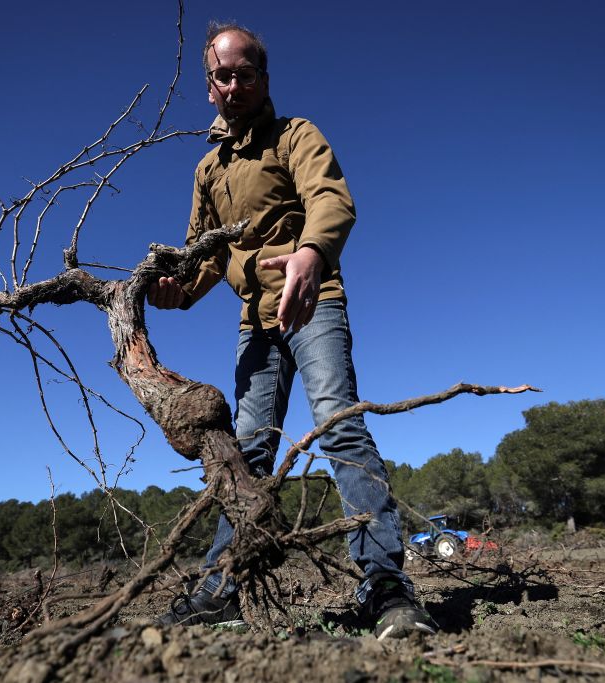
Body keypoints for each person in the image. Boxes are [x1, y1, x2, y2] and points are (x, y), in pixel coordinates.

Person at [148, 22, 434, 640]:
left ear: (263, 78)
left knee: (340, 425)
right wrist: (174, 294)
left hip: (312, 302)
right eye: (222, 75)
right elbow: (203, 259)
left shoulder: (294, 135)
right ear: (209, 87)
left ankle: (385, 585)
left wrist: (310, 253)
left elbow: (332, 200)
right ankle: (221, 589)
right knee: (244, 455)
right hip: (255, 325)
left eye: (245, 72)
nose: (233, 83)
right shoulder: (207, 170)